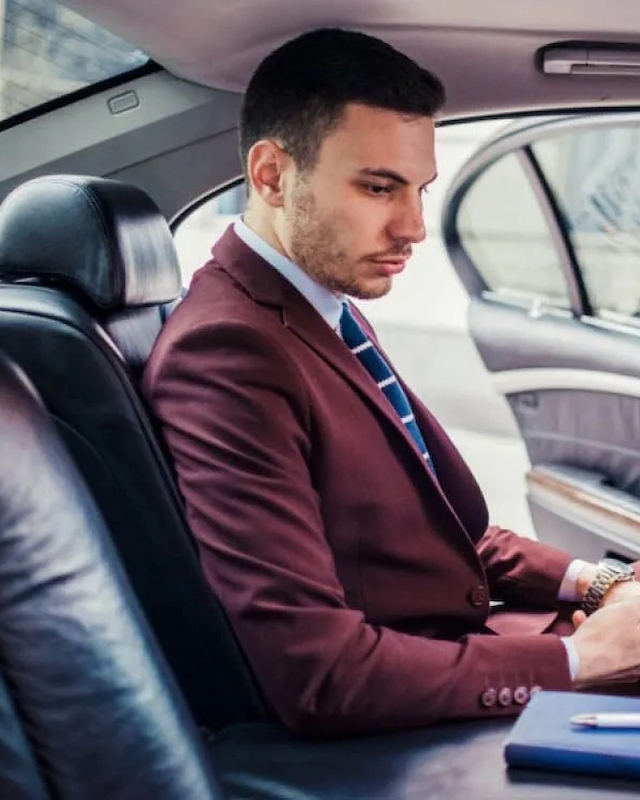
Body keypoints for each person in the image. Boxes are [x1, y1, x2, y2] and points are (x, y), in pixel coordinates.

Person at [143, 28, 640, 737]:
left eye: (419, 190)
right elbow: (317, 671)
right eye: (379, 187)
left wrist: (602, 582)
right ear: (272, 176)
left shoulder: (319, 306)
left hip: (463, 653)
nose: (413, 227)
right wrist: (576, 660)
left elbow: (434, 533)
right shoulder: (227, 353)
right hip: (410, 712)